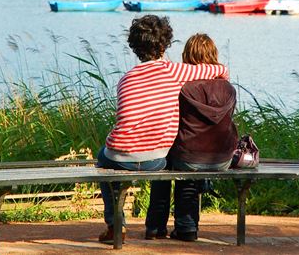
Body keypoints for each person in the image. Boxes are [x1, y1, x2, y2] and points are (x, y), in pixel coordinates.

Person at [96, 16, 229, 243]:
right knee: (170, 158)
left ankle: (115, 223)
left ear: (135, 47)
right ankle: (169, 225)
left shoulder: (125, 79)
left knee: (102, 158)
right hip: (155, 158)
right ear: (165, 44)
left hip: (120, 155)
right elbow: (221, 71)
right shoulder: (175, 71)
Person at [145, 33, 238, 242]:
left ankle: (156, 226)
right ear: (214, 54)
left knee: (166, 161)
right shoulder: (229, 89)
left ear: (187, 55)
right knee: (188, 163)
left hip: (189, 158)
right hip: (222, 158)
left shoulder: (183, 88)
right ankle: (187, 228)